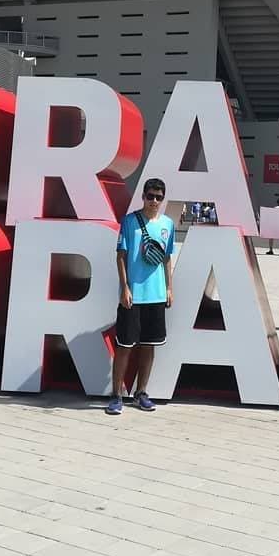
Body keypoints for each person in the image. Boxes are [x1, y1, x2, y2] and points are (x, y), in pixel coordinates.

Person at [107, 178, 175, 415]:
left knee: (148, 346)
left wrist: (168, 288)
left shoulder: (168, 224)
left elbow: (166, 259)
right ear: (143, 196)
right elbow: (120, 257)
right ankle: (116, 395)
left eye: (158, 197)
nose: (154, 201)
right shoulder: (129, 221)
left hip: (155, 296)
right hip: (133, 296)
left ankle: (141, 392)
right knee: (125, 346)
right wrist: (125, 287)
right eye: (150, 196)